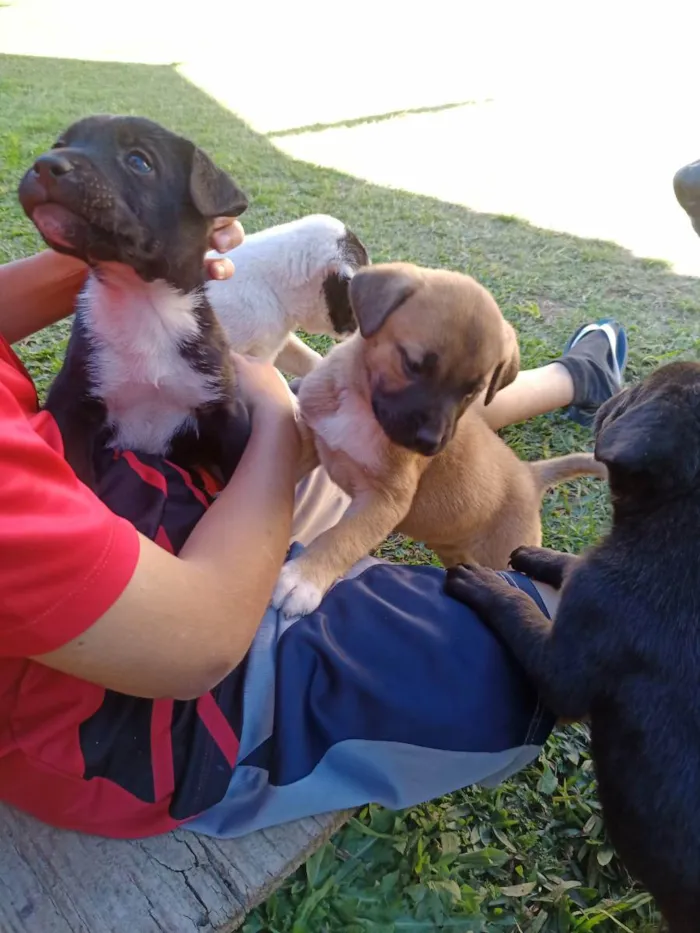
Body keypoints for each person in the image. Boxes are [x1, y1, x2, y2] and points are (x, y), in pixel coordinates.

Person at [0, 228, 627, 840]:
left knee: (407, 426)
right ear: (372, 312)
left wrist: (125, 246)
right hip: (146, 700)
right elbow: (200, 648)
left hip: (150, 490)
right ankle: (574, 378)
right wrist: (278, 428)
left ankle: (573, 378)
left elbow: (415, 433)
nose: (436, 430)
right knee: (545, 638)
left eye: (471, 390)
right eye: (410, 361)